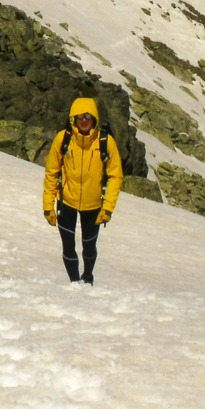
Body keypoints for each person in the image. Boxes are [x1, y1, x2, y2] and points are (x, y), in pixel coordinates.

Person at [43, 97, 124, 285]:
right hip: (66, 202)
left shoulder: (105, 142)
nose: (84, 120)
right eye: (80, 116)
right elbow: (51, 173)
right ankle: (74, 283)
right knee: (68, 246)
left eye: (88, 115)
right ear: (73, 118)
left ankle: (87, 278)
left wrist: (108, 208)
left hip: (93, 204)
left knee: (89, 247)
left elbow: (115, 176)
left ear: (95, 117)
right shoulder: (63, 139)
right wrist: (48, 206)